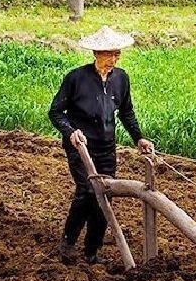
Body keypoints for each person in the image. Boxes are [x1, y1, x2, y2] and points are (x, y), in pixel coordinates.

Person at [48, 26, 154, 264]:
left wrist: (139, 138)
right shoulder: (76, 78)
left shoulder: (121, 79)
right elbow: (55, 112)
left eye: (117, 54)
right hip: (81, 146)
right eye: (108, 55)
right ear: (96, 53)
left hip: (107, 148)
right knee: (86, 192)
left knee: (104, 196)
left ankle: (92, 251)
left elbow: (127, 113)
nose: (113, 60)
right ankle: (68, 243)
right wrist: (71, 131)